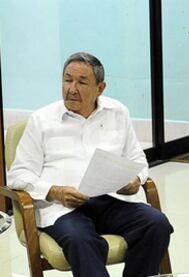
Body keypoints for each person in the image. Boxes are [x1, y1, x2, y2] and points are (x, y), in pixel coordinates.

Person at [8, 52, 173, 277]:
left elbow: (138, 160)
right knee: (80, 240)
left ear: (100, 88)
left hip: (113, 201)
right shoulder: (42, 120)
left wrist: (136, 180)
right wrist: (55, 192)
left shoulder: (118, 113)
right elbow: (18, 174)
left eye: (82, 82)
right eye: (67, 80)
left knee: (157, 224)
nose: (72, 89)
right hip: (63, 208)